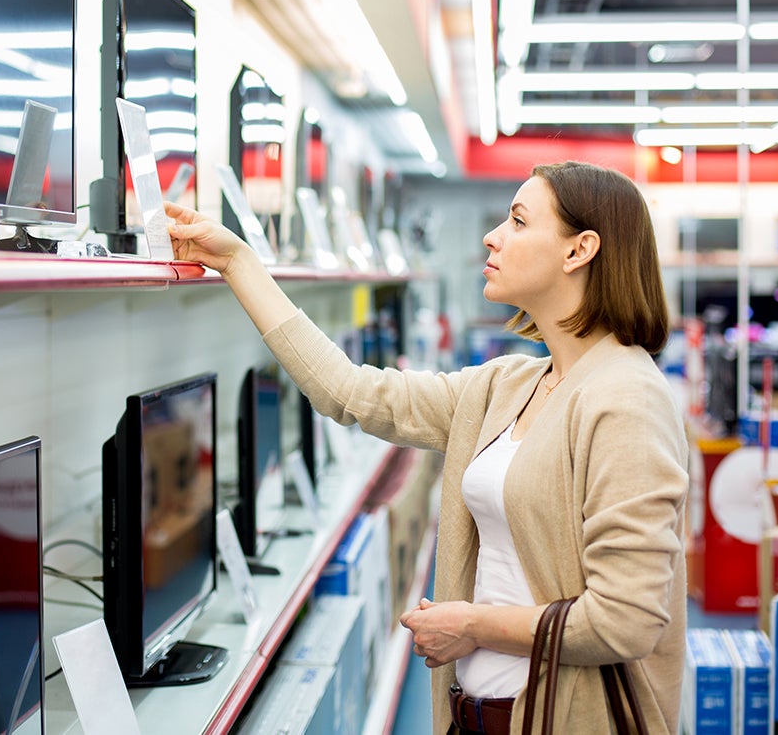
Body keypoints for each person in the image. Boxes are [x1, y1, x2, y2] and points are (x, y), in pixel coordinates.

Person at [164, 160, 688, 735]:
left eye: (517, 221)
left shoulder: (627, 400)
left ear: (578, 250)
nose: (492, 236)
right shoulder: (508, 384)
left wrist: (474, 626)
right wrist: (238, 263)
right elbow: (352, 392)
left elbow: (626, 620)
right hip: (477, 715)